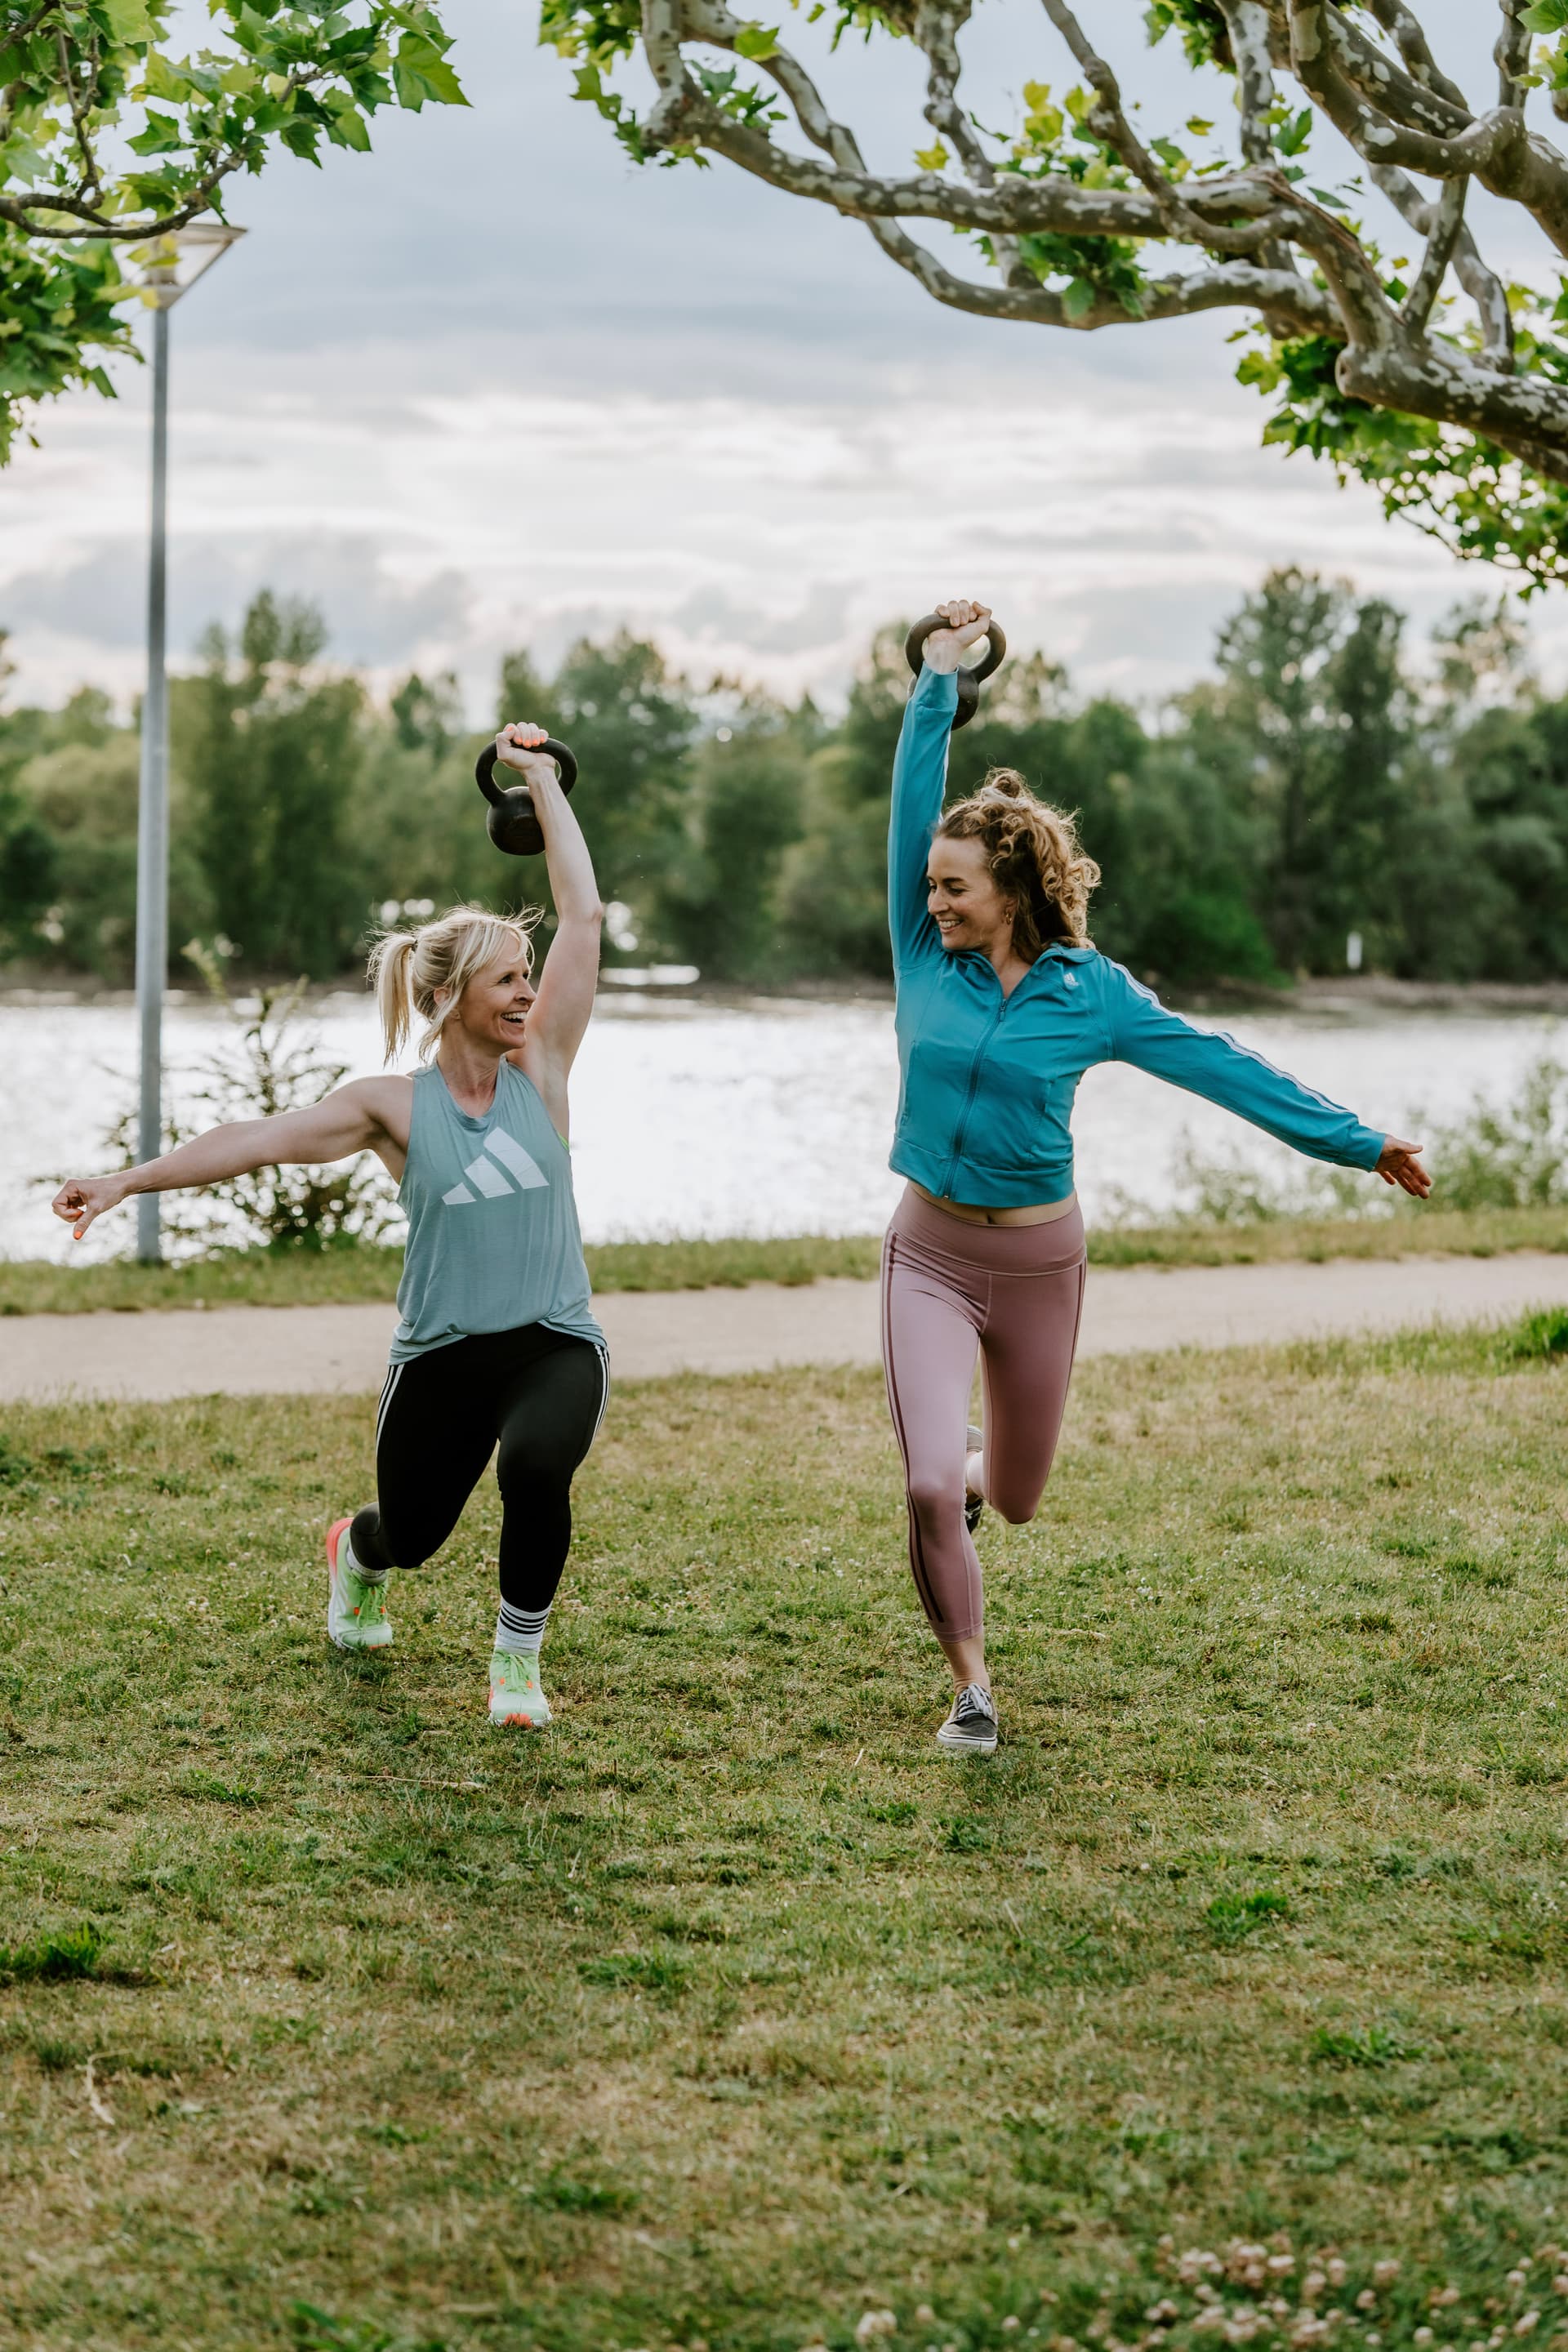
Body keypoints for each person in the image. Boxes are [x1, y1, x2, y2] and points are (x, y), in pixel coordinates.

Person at [884, 599, 1432, 1757]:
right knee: (933, 1486)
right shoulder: (919, 951)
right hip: (928, 1250)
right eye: (929, 886)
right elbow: (907, 812)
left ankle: (982, 1482)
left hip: (1038, 1262)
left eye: (955, 889)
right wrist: (937, 679)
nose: (934, 903)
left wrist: (1358, 1139)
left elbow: (1221, 1067)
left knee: (1014, 1495)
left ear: (1015, 888)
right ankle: (972, 1688)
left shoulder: (1094, 994)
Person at [52, 724, 608, 1731]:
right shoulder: (391, 1107)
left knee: (538, 1466)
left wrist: (540, 781)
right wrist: (127, 1181)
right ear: (449, 999)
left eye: (530, 975)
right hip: (440, 1353)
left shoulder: (547, 1066)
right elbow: (258, 1140)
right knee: (413, 1531)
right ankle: (358, 1554)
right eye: (507, 979)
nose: (529, 990)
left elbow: (586, 911)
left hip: (553, 1338)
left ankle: (516, 1665)